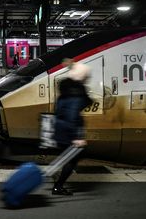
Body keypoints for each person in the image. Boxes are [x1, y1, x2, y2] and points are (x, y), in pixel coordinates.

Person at [52, 59, 93, 196]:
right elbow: (72, 115)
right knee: (73, 159)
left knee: (71, 157)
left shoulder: (65, 90)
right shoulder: (76, 93)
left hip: (61, 128)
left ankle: (57, 182)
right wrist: (77, 137)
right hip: (69, 131)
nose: (87, 79)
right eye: (86, 76)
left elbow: (59, 110)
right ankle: (58, 186)